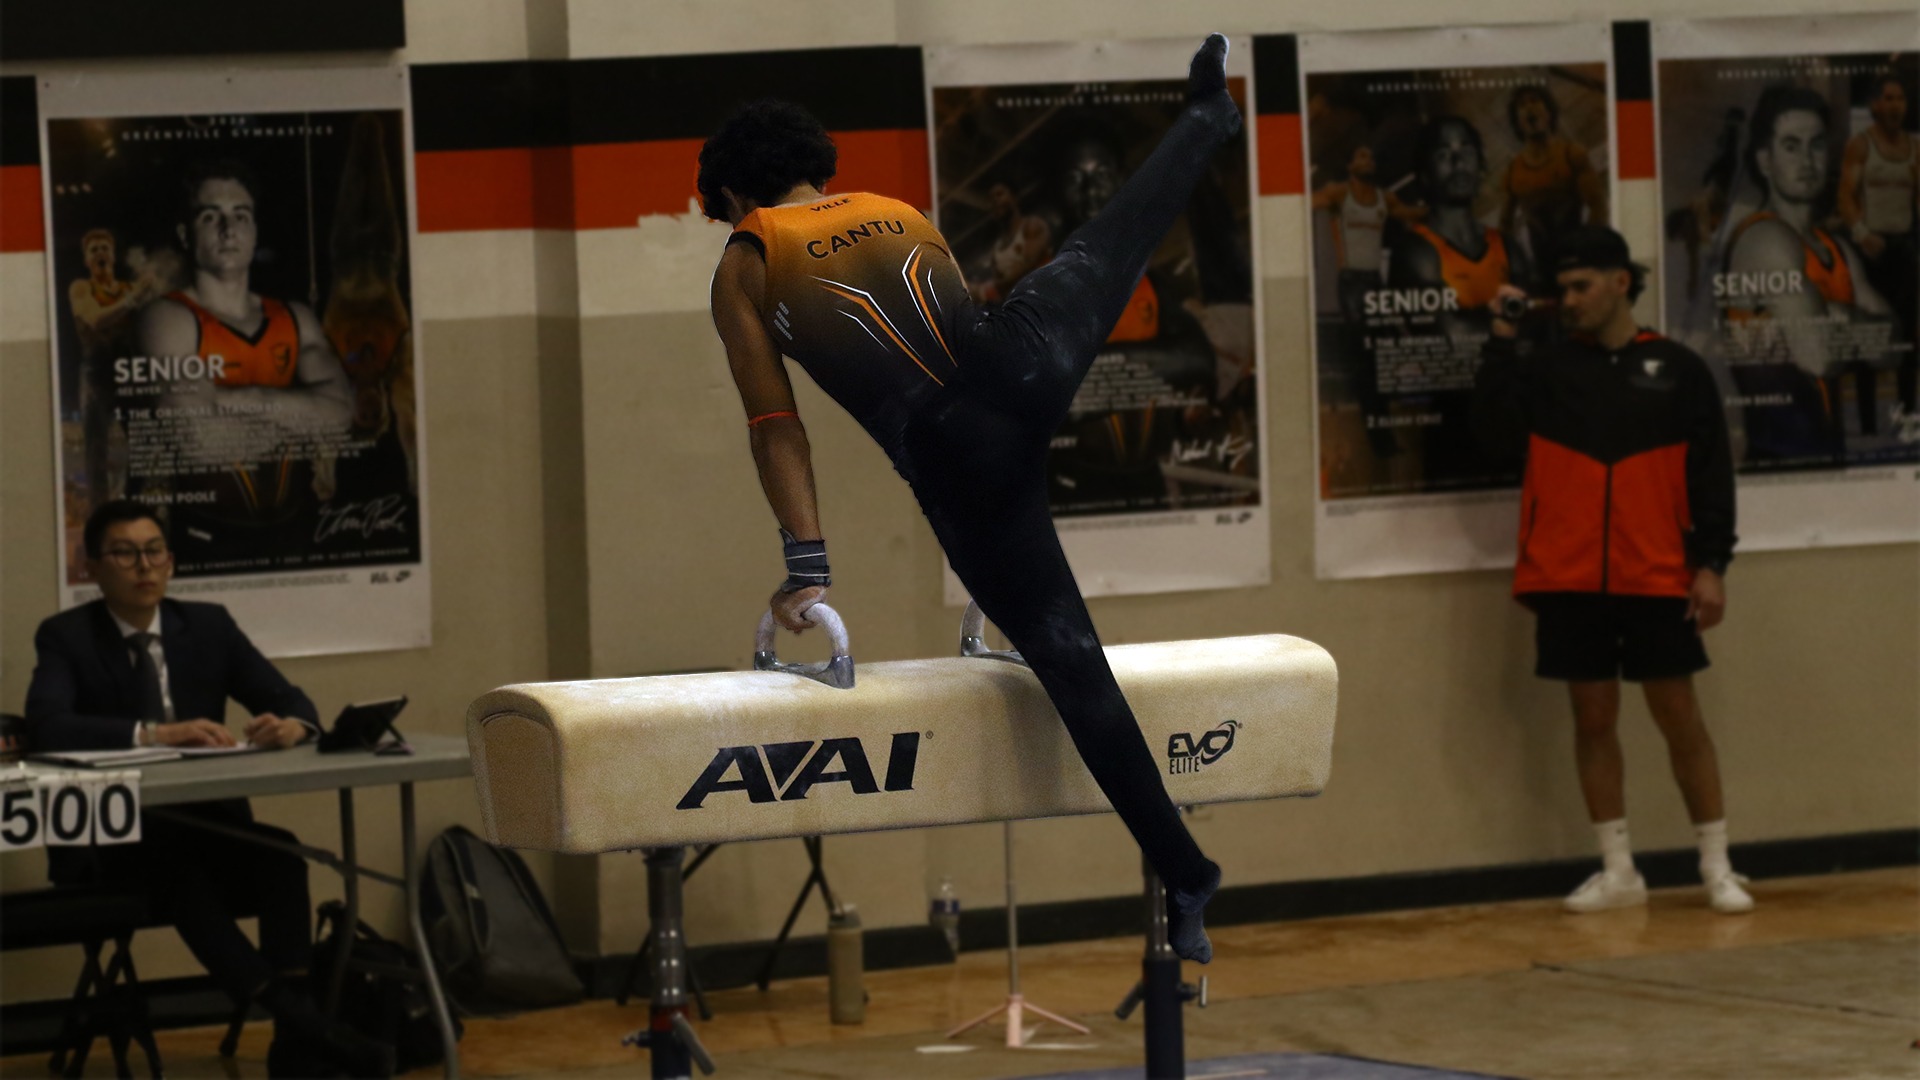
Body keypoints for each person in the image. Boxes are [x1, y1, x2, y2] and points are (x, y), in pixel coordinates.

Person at [701, 35, 1242, 962]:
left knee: (1073, 662)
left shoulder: (746, 262)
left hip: (958, 453)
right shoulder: (896, 208)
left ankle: (1188, 870)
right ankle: (1203, 121)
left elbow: (775, 427)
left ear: (734, 199)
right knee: (1102, 247)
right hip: (1023, 356)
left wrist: (807, 566)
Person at [24, 500, 394, 1078]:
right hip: (115, 842)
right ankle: (311, 1029)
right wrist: (154, 733)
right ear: (92, 567)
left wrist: (291, 726)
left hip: (210, 823)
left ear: (170, 562)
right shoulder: (67, 636)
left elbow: (292, 701)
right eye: (124, 553)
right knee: (177, 874)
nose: (143, 566)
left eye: (154, 553)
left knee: (283, 859)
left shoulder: (208, 625)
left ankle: (294, 1041)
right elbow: (46, 724)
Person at [1472, 226, 1753, 916]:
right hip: (1569, 575)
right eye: (1561, 290)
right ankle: (1619, 868)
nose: (1568, 301)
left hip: (1656, 572)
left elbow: (1712, 477)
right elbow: (1489, 436)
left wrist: (1711, 564)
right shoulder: (1547, 370)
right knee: (1592, 717)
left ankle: (1717, 863)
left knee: (1678, 715)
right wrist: (1502, 344)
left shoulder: (1679, 369)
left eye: (1581, 287)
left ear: (1620, 282)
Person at [136, 159, 354, 569]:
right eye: (210, 216)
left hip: (296, 531)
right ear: (186, 235)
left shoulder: (294, 317)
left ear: (254, 233)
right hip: (206, 535)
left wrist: (242, 399)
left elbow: (342, 415)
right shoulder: (167, 318)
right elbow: (196, 443)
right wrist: (298, 412)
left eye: (241, 216)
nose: (228, 229)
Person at [1723, 87, 1892, 459]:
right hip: (1779, 460)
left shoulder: (1835, 247)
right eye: (1791, 146)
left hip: (1827, 453)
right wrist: (1854, 322)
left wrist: (1835, 318)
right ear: (1765, 160)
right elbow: (1818, 356)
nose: (1808, 160)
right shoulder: (1764, 238)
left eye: (1816, 145)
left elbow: (1890, 350)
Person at [1311, 144, 1423, 457]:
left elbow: (1407, 213)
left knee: (1380, 355)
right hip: (1351, 283)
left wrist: (1434, 208)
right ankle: (1378, 439)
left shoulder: (1384, 198)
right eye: (1361, 155)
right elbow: (1302, 204)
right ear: (1349, 164)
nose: (1368, 160)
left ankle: (1383, 434)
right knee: (1365, 359)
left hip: (1376, 282)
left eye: (1371, 157)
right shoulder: (1337, 193)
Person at [1838, 74, 1918, 416]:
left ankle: (1907, 415)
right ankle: (1868, 420)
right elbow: (1845, 196)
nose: (1895, 104)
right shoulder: (1860, 145)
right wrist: (1861, 233)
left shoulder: (1915, 148)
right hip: (1871, 249)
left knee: (1908, 336)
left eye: (1900, 98)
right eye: (1888, 98)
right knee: (1868, 336)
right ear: (1875, 105)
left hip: (1903, 248)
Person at [1500, 84, 1607, 280]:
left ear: (1549, 112)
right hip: (1541, 268)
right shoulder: (1513, 171)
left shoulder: (1572, 154)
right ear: (1517, 121)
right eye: (1522, 105)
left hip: (1576, 257)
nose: (1529, 107)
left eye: (1535, 100)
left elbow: (1598, 205)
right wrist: (1514, 264)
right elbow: (1505, 224)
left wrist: (1588, 252)